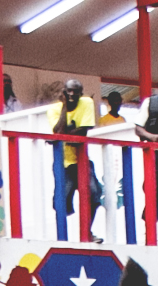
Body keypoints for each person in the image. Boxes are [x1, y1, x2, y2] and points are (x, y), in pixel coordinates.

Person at [50, 78, 97, 225]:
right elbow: (58, 132)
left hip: (81, 161)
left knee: (94, 195)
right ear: (63, 93)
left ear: (81, 94)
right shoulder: (54, 109)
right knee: (61, 202)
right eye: (68, 91)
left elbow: (84, 131)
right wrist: (64, 107)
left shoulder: (87, 102)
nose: (72, 95)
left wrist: (65, 134)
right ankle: (62, 237)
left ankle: (87, 232)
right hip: (63, 163)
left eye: (75, 92)